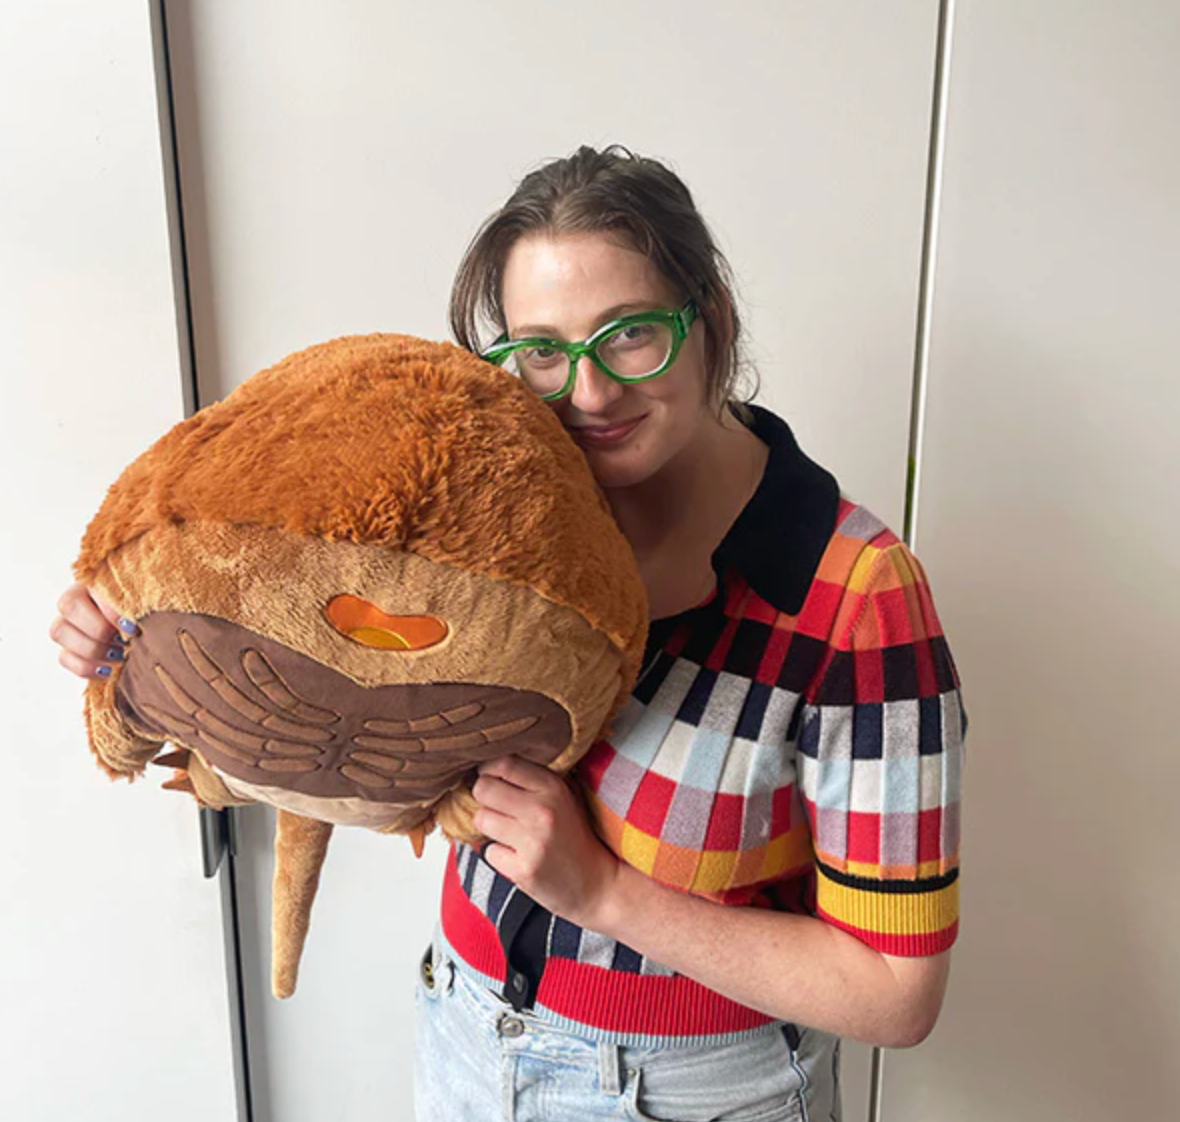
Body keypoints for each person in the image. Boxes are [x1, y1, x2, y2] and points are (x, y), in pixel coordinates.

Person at [51, 145, 965, 1121]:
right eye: (540, 350)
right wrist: (139, 640)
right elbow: (336, 676)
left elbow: (893, 991)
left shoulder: (851, 594)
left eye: (629, 335)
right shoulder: (489, 530)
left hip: (689, 1093)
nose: (587, 394)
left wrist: (605, 895)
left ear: (712, 322)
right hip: (460, 1030)